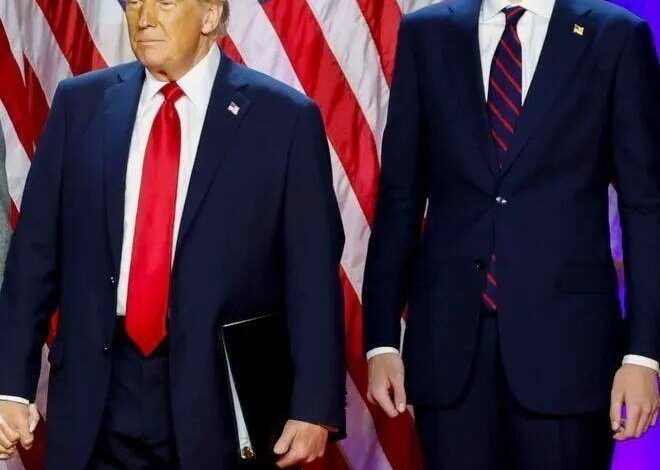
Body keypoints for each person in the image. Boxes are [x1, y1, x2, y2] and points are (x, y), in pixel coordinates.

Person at [0, 0, 346, 468]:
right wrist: (10, 386)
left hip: (220, 400)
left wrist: (314, 405)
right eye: (134, 3)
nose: (143, 18)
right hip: (96, 392)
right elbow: (34, 259)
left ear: (209, 16)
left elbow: (312, 275)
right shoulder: (80, 104)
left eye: (163, 3)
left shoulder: (284, 119)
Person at [363, 0, 660, 468]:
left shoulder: (617, 36)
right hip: (448, 351)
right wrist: (380, 340)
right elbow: (400, 197)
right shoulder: (426, 33)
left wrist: (642, 355)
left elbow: (645, 207)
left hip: (568, 353)